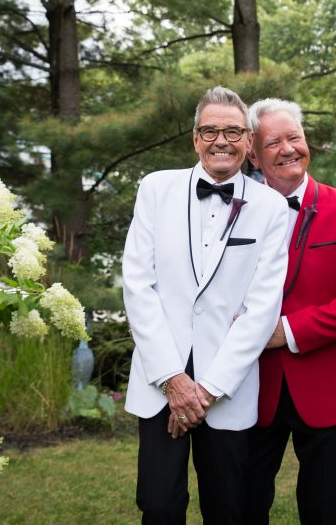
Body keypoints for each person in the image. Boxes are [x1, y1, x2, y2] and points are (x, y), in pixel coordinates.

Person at [122, 86, 289, 524]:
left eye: (233, 131)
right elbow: (139, 285)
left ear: (249, 142)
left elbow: (262, 309)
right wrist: (173, 380)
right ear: (195, 138)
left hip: (226, 391)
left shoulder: (271, 208)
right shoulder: (155, 189)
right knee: (158, 506)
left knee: (229, 509)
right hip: (161, 383)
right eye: (210, 131)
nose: (222, 141)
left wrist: (207, 389)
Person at [245, 98, 336, 525]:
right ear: (252, 153)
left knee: (325, 512)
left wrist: (284, 331)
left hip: (330, 385)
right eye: (274, 142)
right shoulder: (235, 211)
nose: (289, 148)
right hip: (250, 386)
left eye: (296, 138)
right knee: (239, 507)